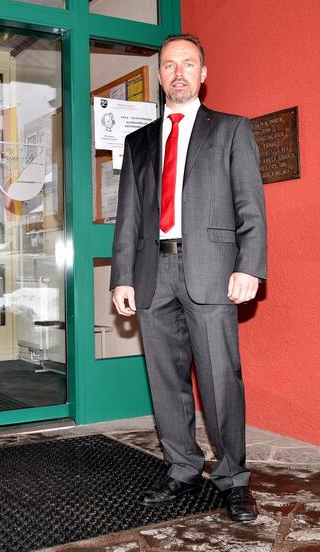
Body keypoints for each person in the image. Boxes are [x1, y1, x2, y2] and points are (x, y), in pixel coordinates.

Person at [110, 34, 266, 522]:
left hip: (213, 272)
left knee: (222, 380)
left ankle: (233, 479)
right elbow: (128, 219)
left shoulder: (232, 130)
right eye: (169, 65)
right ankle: (181, 468)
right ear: (159, 77)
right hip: (154, 273)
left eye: (188, 64)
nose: (178, 72)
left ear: (203, 74)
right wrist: (122, 277)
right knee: (165, 381)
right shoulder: (138, 143)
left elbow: (251, 209)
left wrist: (250, 266)